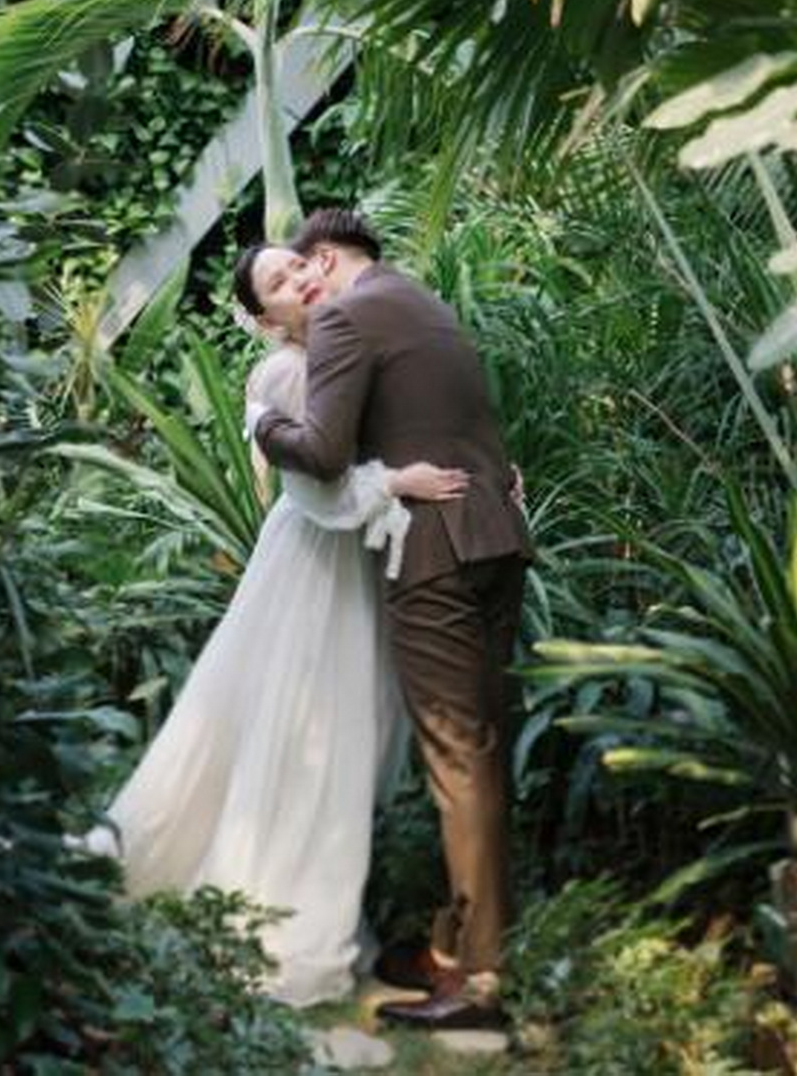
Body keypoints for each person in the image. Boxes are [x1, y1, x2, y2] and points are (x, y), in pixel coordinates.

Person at [73, 242, 470, 1008]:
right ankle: (279, 911)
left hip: (356, 564)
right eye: (278, 282)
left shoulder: (352, 350)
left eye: (297, 266)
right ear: (265, 319)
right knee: (308, 736)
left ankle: (312, 893)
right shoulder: (286, 373)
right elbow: (318, 491)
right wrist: (398, 480)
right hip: (314, 567)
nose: (298, 280)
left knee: (341, 735)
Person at [249, 208, 533, 1032]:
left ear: (324, 258)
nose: (303, 282)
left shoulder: (346, 314)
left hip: (433, 551)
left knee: (456, 759)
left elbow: (322, 452)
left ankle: (479, 982)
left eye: (303, 266)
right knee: (482, 751)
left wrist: (262, 424)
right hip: (497, 536)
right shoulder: (423, 303)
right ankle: (464, 943)